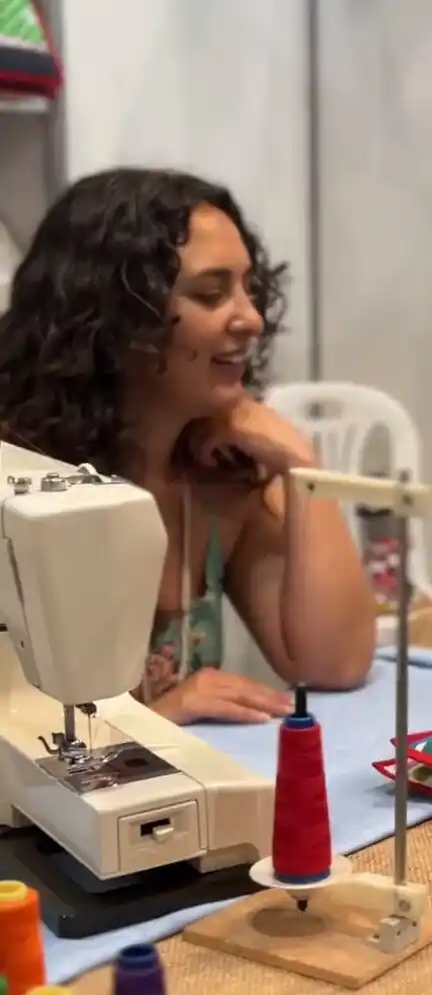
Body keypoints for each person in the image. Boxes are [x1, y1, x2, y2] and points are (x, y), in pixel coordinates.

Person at [0, 169, 376, 723]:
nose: (250, 318)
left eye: (250, 288)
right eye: (210, 293)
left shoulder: (223, 474)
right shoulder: (20, 481)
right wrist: (162, 717)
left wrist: (302, 466)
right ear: (116, 317)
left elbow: (334, 663)